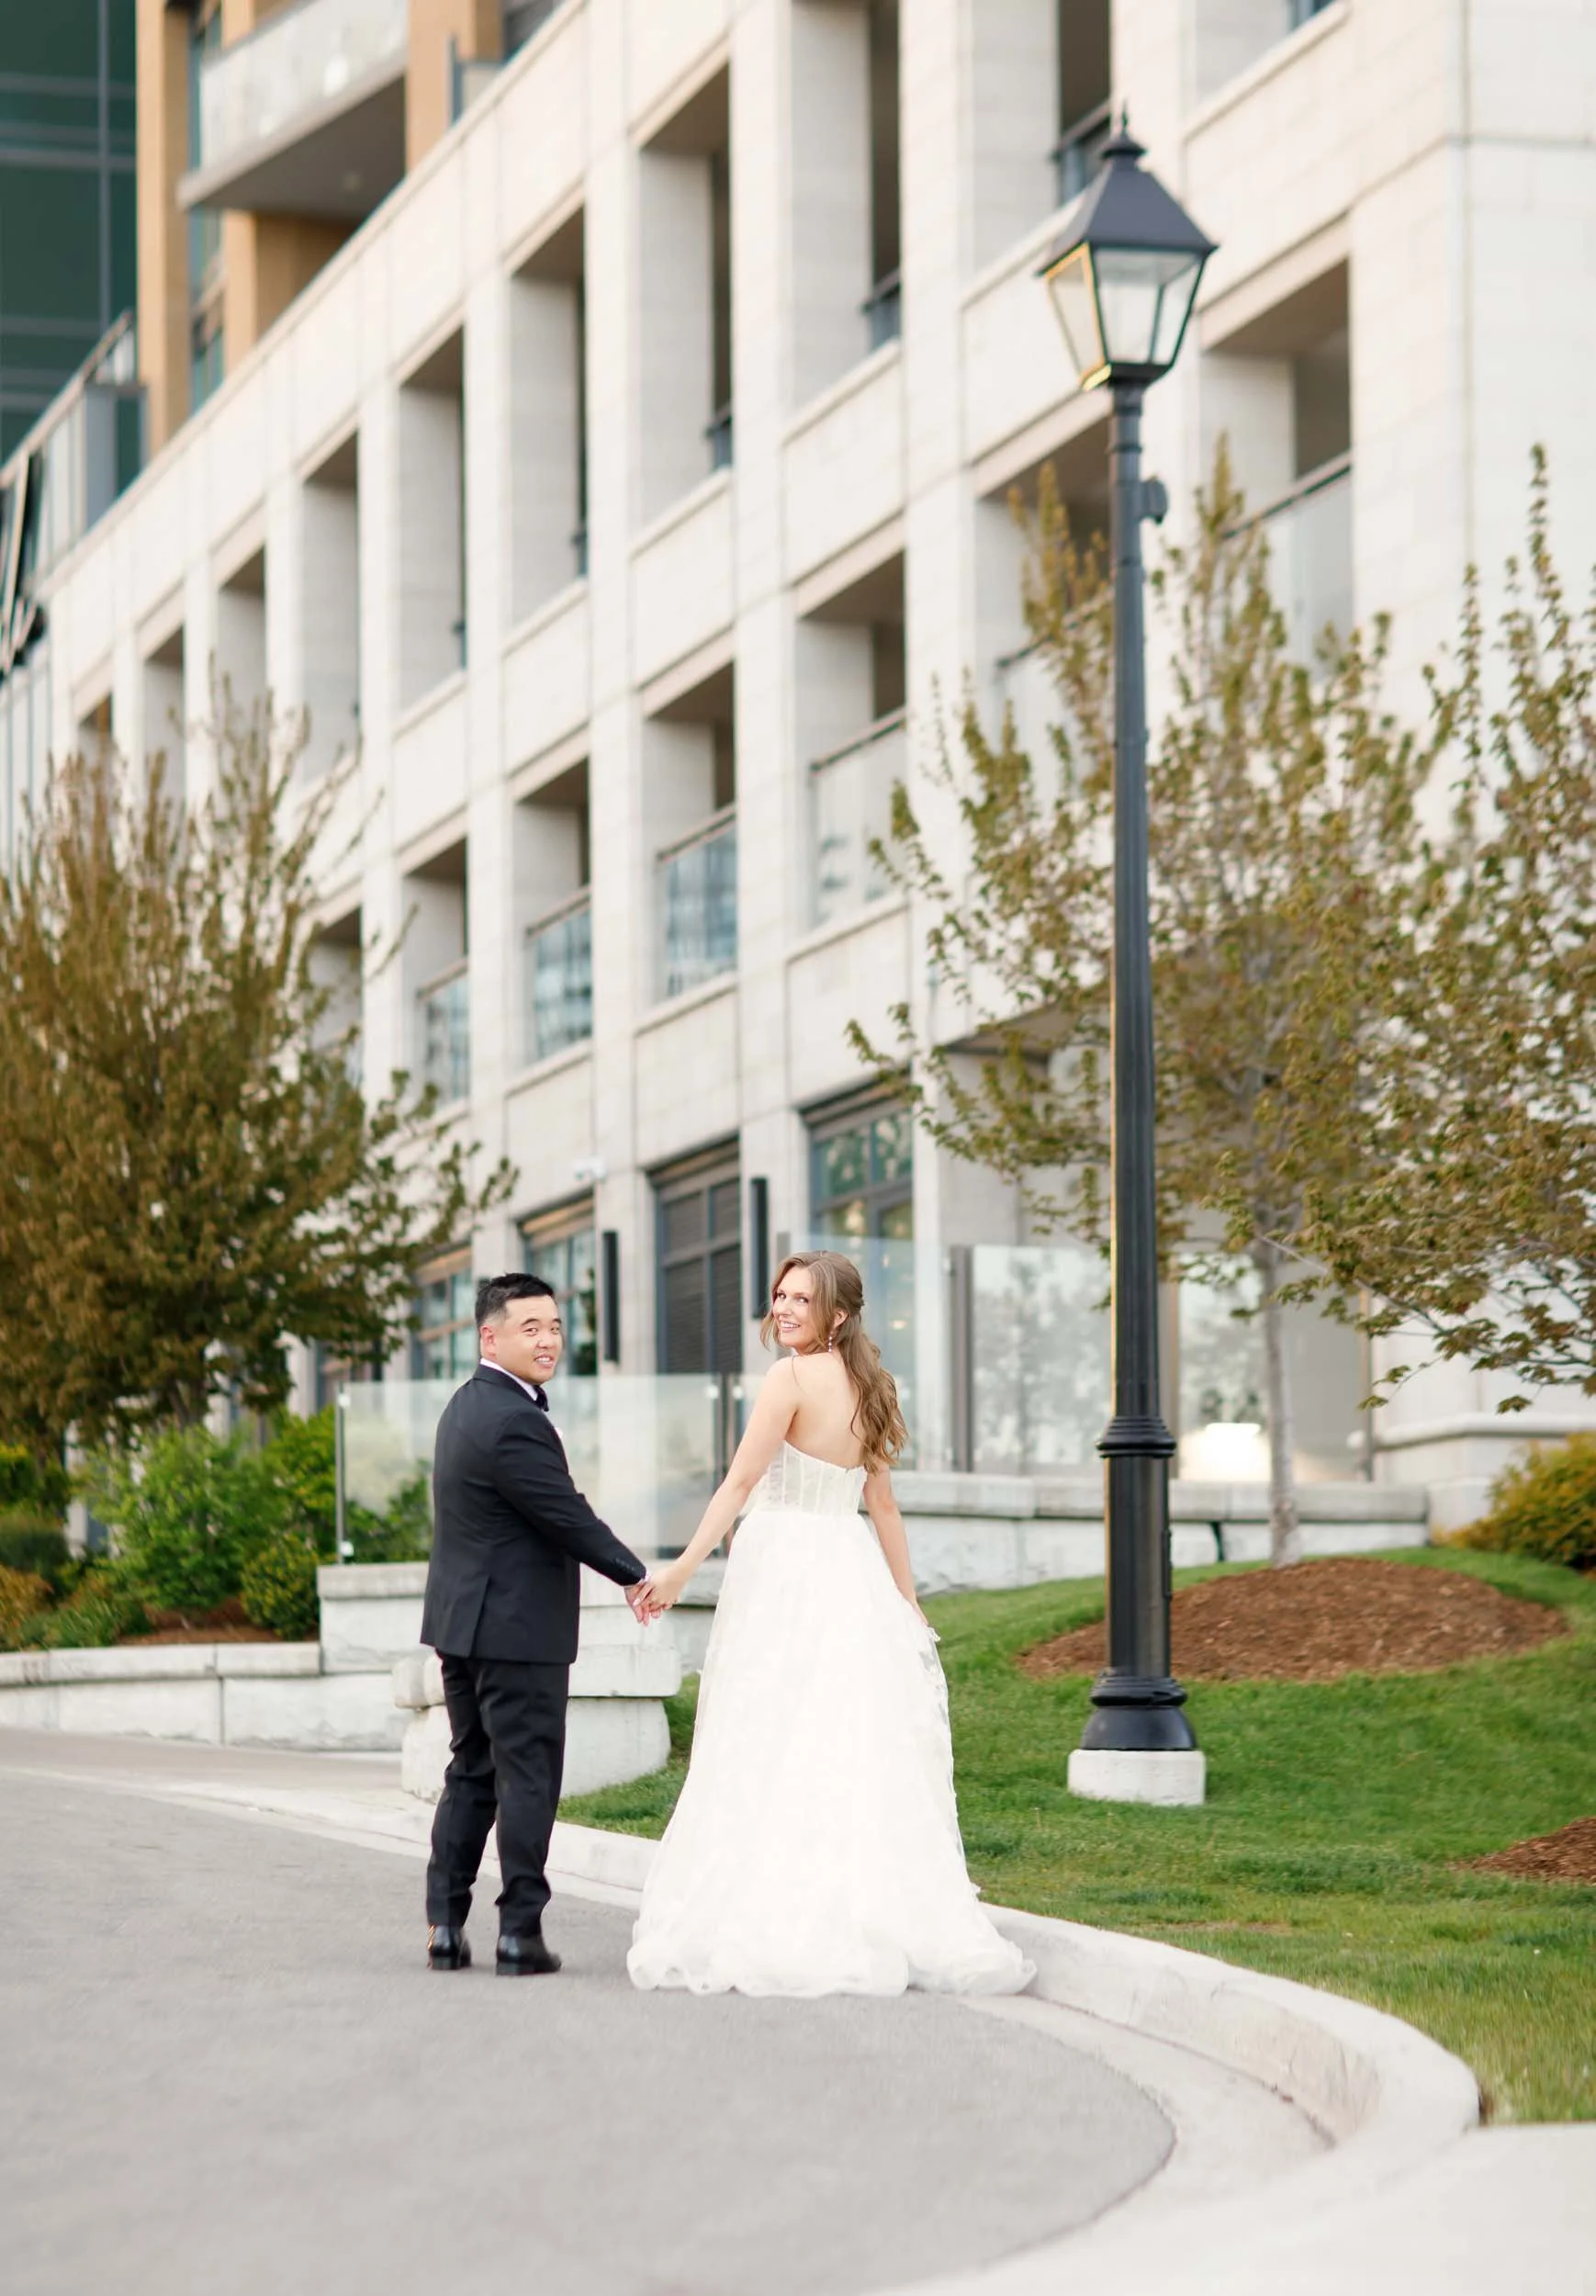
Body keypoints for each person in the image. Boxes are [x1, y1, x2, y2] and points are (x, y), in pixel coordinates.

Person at [627, 1250, 1032, 1998]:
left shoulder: (787, 1379)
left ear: (836, 1315)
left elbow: (743, 1481)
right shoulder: (872, 1386)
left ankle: (775, 1906)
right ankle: (856, 1906)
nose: (782, 1309)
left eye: (800, 1301)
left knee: (767, 1728)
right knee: (840, 1738)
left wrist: (682, 1567)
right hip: (848, 1568)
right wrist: (906, 1601)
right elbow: (880, 1506)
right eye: (778, 1296)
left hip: (783, 1564)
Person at [421, 1273, 653, 1975]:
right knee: (525, 1778)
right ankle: (519, 1932)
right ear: (489, 1336)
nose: (549, 1339)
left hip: (463, 1625)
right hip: (515, 1631)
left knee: (472, 1771)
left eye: (554, 1325)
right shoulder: (514, 1418)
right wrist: (634, 1573)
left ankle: (444, 1926)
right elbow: (563, 1511)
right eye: (531, 1328)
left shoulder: (464, 1407)